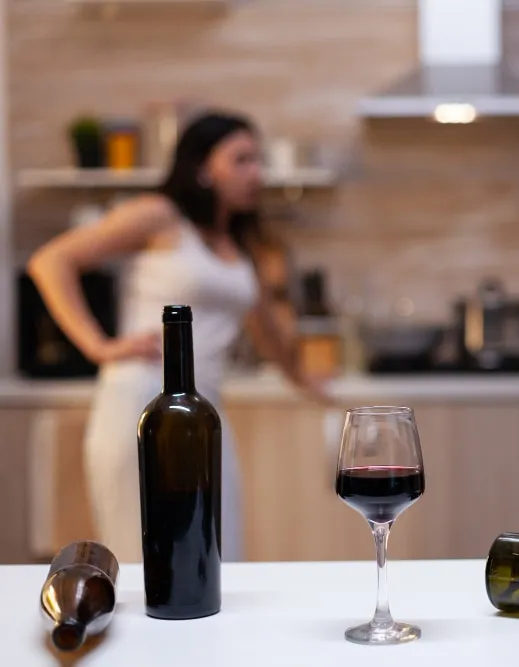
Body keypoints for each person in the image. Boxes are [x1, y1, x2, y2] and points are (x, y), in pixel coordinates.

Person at [28, 111, 332, 563]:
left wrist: (307, 383)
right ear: (203, 169)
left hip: (206, 410)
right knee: (147, 556)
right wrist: (99, 347)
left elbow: (267, 332)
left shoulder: (238, 246)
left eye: (259, 160)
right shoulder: (158, 216)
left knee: (217, 555)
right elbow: (51, 262)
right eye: (242, 159)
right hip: (141, 402)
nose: (257, 173)